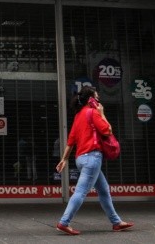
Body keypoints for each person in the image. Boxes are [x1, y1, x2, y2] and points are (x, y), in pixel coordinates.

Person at [55, 86, 134, 235]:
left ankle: (116, 222)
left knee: (104, 191)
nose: (98, 100)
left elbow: (71, 141)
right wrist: (102, 113)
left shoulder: (78, 115)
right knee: (80, 192)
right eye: (97, 97)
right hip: (92, 158)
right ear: (91, 99)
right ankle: (64, 222)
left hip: (81, 159)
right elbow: (107, 130)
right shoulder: (93, 112)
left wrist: (64, 159)